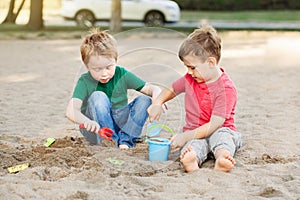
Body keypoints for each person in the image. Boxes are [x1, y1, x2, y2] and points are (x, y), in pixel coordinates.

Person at [147, 25, 242, 172]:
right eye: (187, 67)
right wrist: (158, 102)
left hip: (220, 129)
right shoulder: (190, 79)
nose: (189, 72)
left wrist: (184, 136)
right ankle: (192, 160)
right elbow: (172, 89)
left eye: (192, 67)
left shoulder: (225, 89)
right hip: (195, 132)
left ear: (211, 62)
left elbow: (215, 124)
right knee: (193, 145)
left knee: (223, 139)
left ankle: (222, 158)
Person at [66, 28, 161, 149]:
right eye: (97, 69)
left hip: (119, 121)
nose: (104, 73)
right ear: (87, 66)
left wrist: (157, 100)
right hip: (97, 128)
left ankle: (126, 141)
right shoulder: (84, 81)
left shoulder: (121, 74)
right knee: (98, 96)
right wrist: (86, 121)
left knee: (145, 100)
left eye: (109, 67)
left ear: (115, 60)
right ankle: (110, 141)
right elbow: (71, 111)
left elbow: (151, 88)